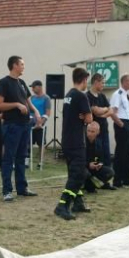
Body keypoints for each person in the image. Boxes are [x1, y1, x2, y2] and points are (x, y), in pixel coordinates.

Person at [0, 56, 40, 202]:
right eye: (22, 64)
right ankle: (7, 191)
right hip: (12, 125)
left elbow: (28, 101)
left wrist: (36, 112)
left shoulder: (21, 82)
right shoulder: (4, 82)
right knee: (9, 158)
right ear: (14, 65)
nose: (24, 67)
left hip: (25, 125)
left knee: (22, 157)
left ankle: (22, 188)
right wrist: (16, 105)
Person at [54, 67, 93, 220]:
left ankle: (78, 202)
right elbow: (89, 119)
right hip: (77, 142)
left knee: (76, 172)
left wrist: (81, 115)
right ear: (84, 80)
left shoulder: (68, 95)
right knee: (77, 175)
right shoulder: (81, 96)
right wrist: (84, 116)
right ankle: (62, 205)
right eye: (86, 81)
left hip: (67, 140)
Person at [109, 73, 129, 188]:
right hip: (122, 123)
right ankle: (117, 180)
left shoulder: (125, 94)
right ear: (124, 82)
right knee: (121, 153)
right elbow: (113, 112)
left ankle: (127, 179)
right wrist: (121, 125)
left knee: (128, 152)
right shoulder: (118, 94)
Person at [86, 73, 113, 165]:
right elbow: (96, 111)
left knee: (106, 152)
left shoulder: (102, 96)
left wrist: (104, 114)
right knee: (97, 153)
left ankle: (107, 172)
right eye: (102, 83)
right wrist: (105, 109)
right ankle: (96, 171)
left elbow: (111, 111)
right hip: (94, 131)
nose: (103, 85)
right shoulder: (87, 96)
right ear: (96, 82)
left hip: (104, 129)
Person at [84, 121, 116, 193]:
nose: (90, 133)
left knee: (110, 172)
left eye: (93, 131)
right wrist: (88, 164)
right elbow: (78, 159)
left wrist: (99, 164)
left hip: (94, 168)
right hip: (84, 167)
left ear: (98, 132)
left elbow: (101, 158)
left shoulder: (99, 142)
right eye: (88, 131)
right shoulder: (82, 142)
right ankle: (89, 185)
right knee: (85, 173)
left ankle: (93, 185)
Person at [29, 79, 51, 167]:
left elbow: (47, 112)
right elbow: (29, 111)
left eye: (33, 87)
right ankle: (27, 161)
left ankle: (40, 162)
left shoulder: (46, 98)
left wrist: (41, 123)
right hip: (31, 124)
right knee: (28, 143)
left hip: (41, 125)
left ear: (39, 87)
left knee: (41, 143)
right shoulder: (31, 98)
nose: (32, 90)